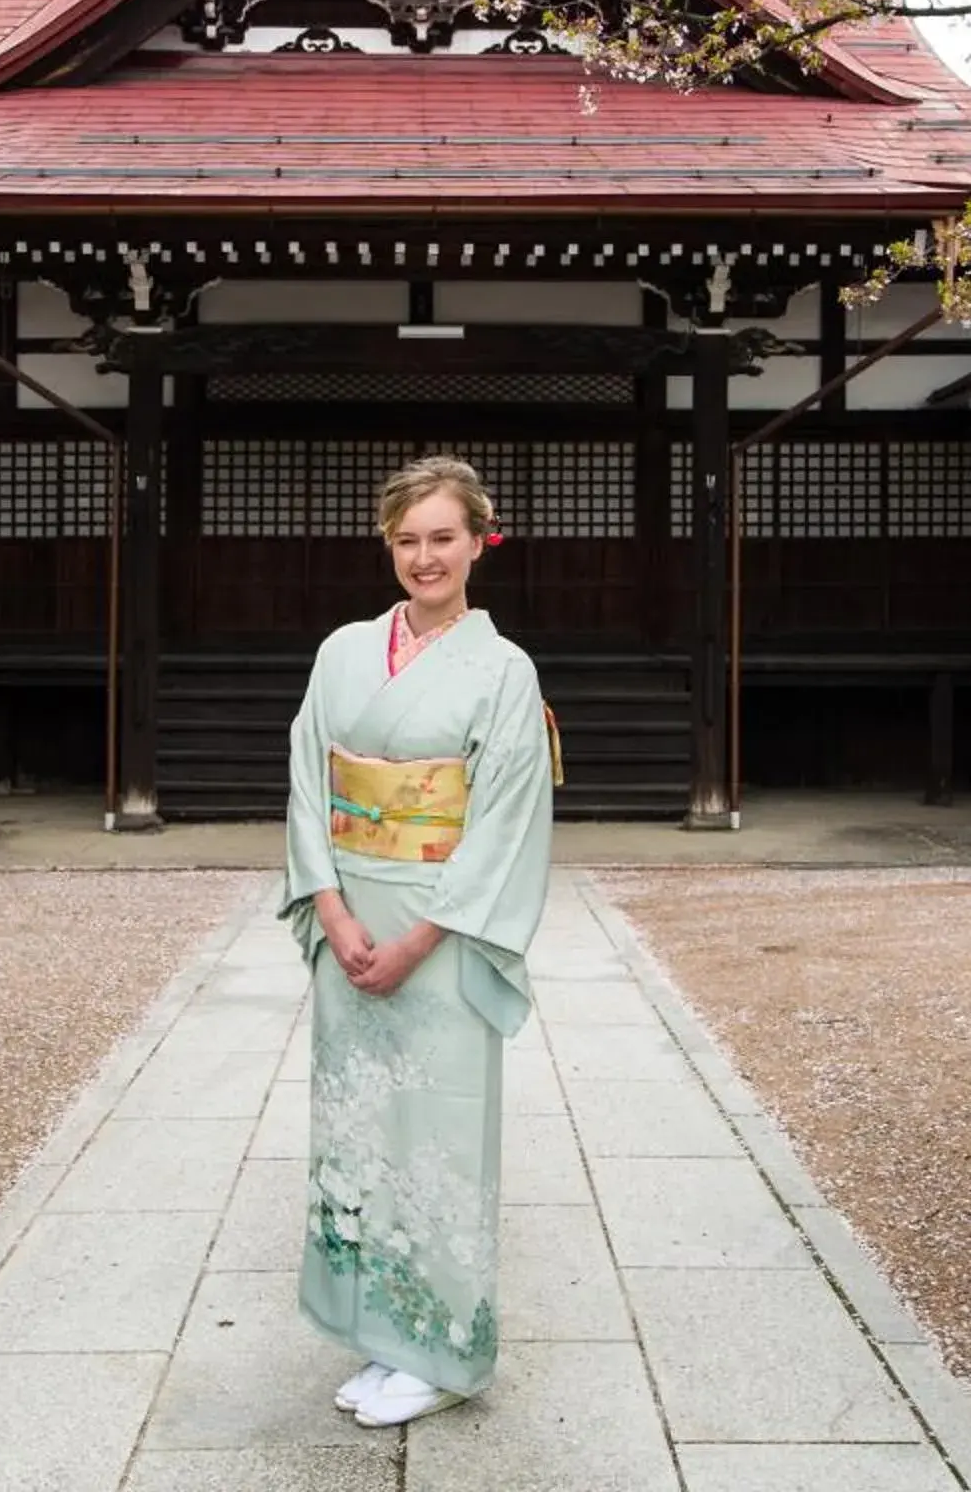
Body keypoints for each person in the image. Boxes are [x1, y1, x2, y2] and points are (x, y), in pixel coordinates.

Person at [280, 454, 558, 1429]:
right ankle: (379, 1331)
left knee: (437, 1133)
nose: (425, 555)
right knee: (358, 1130)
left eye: (444, 536)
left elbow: (509, 820)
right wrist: (335, 912)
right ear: (387, 545)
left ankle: (440, 1348)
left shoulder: (504, 670)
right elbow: (311, 779)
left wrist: (418, 937)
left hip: (440, 929)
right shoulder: (342, 651)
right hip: (353, 914)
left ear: (482, 540)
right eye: (407, 538)